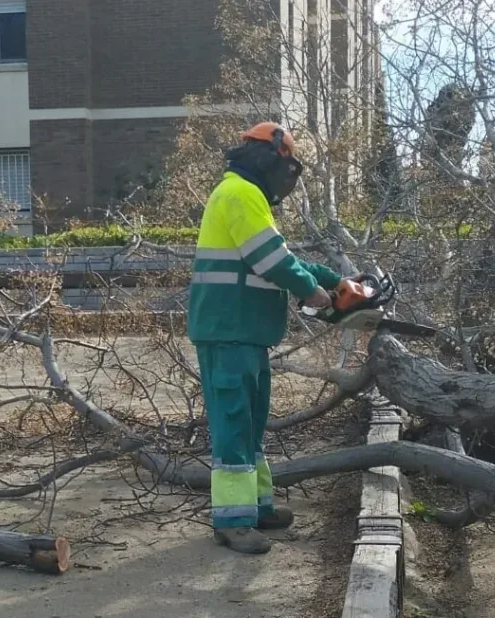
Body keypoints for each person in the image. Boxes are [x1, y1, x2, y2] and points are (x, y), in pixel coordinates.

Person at [187, 121, 344, 554]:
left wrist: (335, 280)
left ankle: (256, 508)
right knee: (234, 421)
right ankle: (232, 521)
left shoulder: (248, 197)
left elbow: (281, 258)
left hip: (246, 332)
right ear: (271, 159)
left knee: (252, 422)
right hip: (228, 329)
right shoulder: (238, 193)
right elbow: (271, 260)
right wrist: (314, 293)